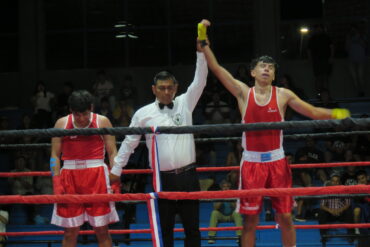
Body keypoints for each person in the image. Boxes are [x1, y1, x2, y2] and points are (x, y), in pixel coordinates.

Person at [199, 19, 350, 247]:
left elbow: (313, 111)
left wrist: (339, 113)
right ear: (252, 72)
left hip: (278, 162)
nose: (267, 69)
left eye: (271, 67)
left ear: (274, 73)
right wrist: (204, 42)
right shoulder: (243, 93)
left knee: (286, 217)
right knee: (250, 221)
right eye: (262, 65)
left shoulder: (283, 95)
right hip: (251, 163)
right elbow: (217, 69)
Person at [110, 20, 210, 247]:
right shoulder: (143, 114)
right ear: (154, 89)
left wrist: (201, 52)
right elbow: (129, 143)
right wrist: (116, 169)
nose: (166, 92)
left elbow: (201, 79)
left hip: (188, 176)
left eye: (170, 87)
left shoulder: (185, 103)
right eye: (162, 88)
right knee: (165, 231)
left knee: (192, 230)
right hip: (162, 177)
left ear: (175, 87)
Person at [50, 90, 119, 247]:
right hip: (69, 176)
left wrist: (115, 178)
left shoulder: (102, 121)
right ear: (71, 111)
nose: (81, 119)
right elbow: (54, 154)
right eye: (77, 115)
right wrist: (56, 181)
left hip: (97, 175)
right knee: (70, 231)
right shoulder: (62, 123)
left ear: (91, 108)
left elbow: (112, 151)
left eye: (85, 114)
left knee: (102, 229)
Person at [318, 174, 354, 241]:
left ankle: (351, 235)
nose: (335, 183)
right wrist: (330, 210)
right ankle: (323, 236)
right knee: (321, 212)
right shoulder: (326, 190)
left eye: (337, 181)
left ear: (339, 182)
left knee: (349, 211)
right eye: (333, 181)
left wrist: (340, 210)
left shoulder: (344, 190)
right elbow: (322, 205)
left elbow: (348, 204)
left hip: (341, 213)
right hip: (330, 214)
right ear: (330, 182)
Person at [208, 180, 243, 244]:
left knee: (237, 213)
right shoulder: (218, 194)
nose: (226, 188)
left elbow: (236, 207)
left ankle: (239, 237)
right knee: (214, 213)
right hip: (222, 215)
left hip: (231, 215)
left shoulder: (233, 193)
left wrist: (230, 197)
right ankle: (211, 237)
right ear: (221, 188)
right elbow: (216, 207)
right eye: (224, 187)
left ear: (230, 187)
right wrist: (222, 197)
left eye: (227, 187)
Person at [307, 24, 334, 96]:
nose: (318, 30)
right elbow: (309, 50)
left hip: (326, 60)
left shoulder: (327, 37)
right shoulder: (312, 38)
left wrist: (331, 57)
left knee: (325, 78)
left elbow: (331, 47)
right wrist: (310, 59)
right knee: (318, 78)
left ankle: (327, 95)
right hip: (316, 61)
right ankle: (319, 95)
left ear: (322, 29)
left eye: (320, 29)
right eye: (317, 29)